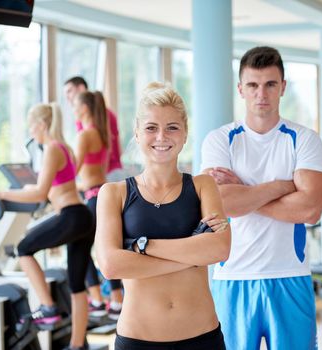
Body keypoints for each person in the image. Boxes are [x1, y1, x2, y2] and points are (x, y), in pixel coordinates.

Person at [201, 46, 322, 350]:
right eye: (253, 85)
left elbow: (311, 209)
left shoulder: (304, 139)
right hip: (231, 278)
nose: (262, 94)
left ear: (283, 87)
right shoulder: (220, 140)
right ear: (240, 89)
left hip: (290, 276)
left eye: (271, 84)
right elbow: (220, 204)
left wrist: (244, 191)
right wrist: (284, 186)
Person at [95, 82, 230, 350]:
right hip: (137, 340)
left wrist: (140, 246)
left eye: (172, 127)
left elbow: (219, 248)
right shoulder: (114, 194)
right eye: (151, 128)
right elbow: (110, 265)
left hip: (202, 338)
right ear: (136, 133)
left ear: (185, 133)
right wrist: (191, 256)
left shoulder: (203, 186)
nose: (161, 137)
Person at [0, 103, 95, 350]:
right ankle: (77, 346)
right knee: (76, 285)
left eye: (32, 125)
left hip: (71, 215)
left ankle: (48, 307)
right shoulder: (65, 148)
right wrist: (28, 189)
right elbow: (55, 187)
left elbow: (41, 193)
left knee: (23, 248)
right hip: (83, 216)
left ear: (41, 125)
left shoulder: (52, 149)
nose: (31, 131)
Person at [64, 76, 124, 317]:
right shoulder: (100, 133)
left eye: (75, 107)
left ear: (85, 108)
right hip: (101, 193)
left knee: (79, 245)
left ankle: (98, 298)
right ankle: (115, 299)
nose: (73, 111)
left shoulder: (85, 135)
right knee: (105, 247)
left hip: (92, 196)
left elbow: (73, 171)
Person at [64, 76, 124, 180]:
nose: (67, 97)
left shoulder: (87, 128)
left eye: (69, 91)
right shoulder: (104, 116)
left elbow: (79, 160)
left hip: (108, 175)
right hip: (104, 176)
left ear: (81, 88)